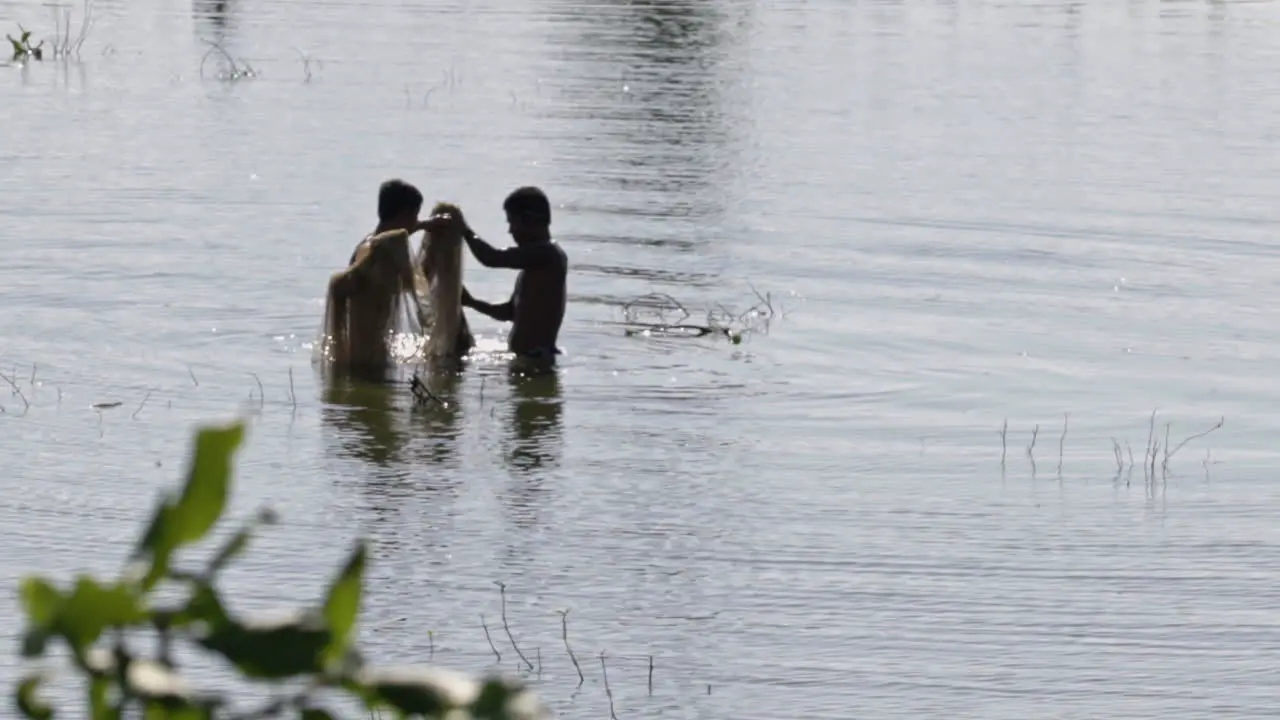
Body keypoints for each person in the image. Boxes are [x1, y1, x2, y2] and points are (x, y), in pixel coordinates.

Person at [431, 186, 567, 361]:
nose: (510, 230)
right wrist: (471, 302)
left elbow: (492, 258)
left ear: (530, 220)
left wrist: (465, 230)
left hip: (536, 362)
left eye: (512, 223)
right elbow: (509, 313)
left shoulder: (548, 254)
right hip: (525, 360)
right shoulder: (533, 265)